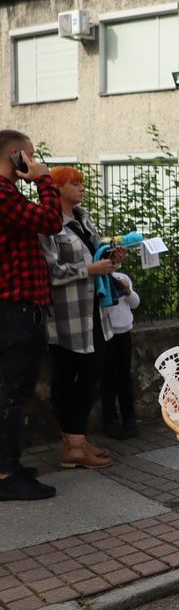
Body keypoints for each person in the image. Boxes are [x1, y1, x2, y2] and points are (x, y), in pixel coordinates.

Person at [39, 166, 125, 470]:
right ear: (57, 188)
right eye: (74, 183)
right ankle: (73, 446)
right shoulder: (48, 223)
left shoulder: (83, 218)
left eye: (81, 183)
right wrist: (88, 270)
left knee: (92, 374)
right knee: (69, 376)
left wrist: (108, 260)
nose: (81, 188)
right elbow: (50, 271)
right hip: (67, 313)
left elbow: (91, 256)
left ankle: (76, 440)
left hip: (93, 310)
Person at [0, 131, 63, 501]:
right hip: (15, 310)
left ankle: (10, 464)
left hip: (18, 308)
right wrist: (42, 178)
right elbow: (52, 220)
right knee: (9, 393)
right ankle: (6, 474)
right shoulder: (3, 194)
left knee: (13, 392)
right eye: (31, 155)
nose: (34, 160)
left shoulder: (9, 195)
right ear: (16, 154)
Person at [101, 272, 140, 439]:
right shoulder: (100, 280)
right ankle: (110, 419)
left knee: (125, 377)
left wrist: (127, 290)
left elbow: (135, 303)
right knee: (108, 378)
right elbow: (105, 306)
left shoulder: (123, 277)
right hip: (107, 334)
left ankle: (129, 418)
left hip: (124, 332)